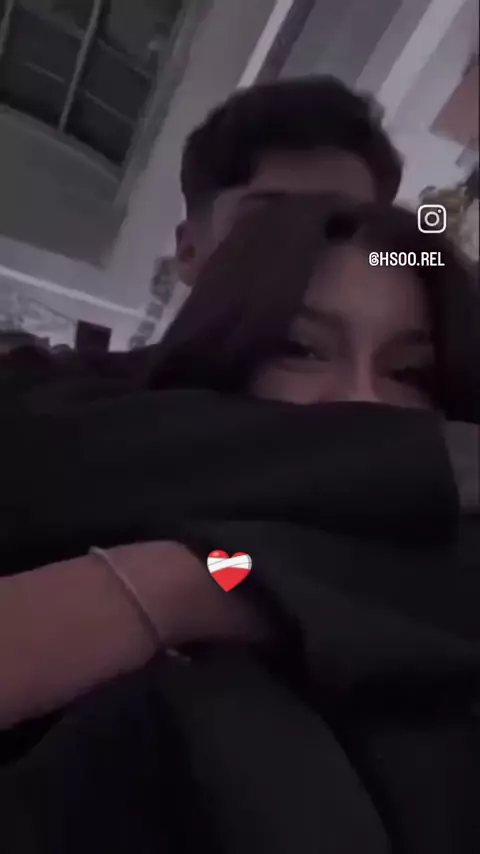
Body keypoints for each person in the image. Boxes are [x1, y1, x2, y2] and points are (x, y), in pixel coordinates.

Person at [1, 196, 479, 854]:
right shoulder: (63, 486)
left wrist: (186, 584)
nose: (362, 401)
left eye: (408, 373)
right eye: (301, 350)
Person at [0, 76, 402, 404]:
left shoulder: (400, 423)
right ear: (189, 252)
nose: (307, 254)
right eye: (265, 224)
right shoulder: (44, 408)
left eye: (344, 228)